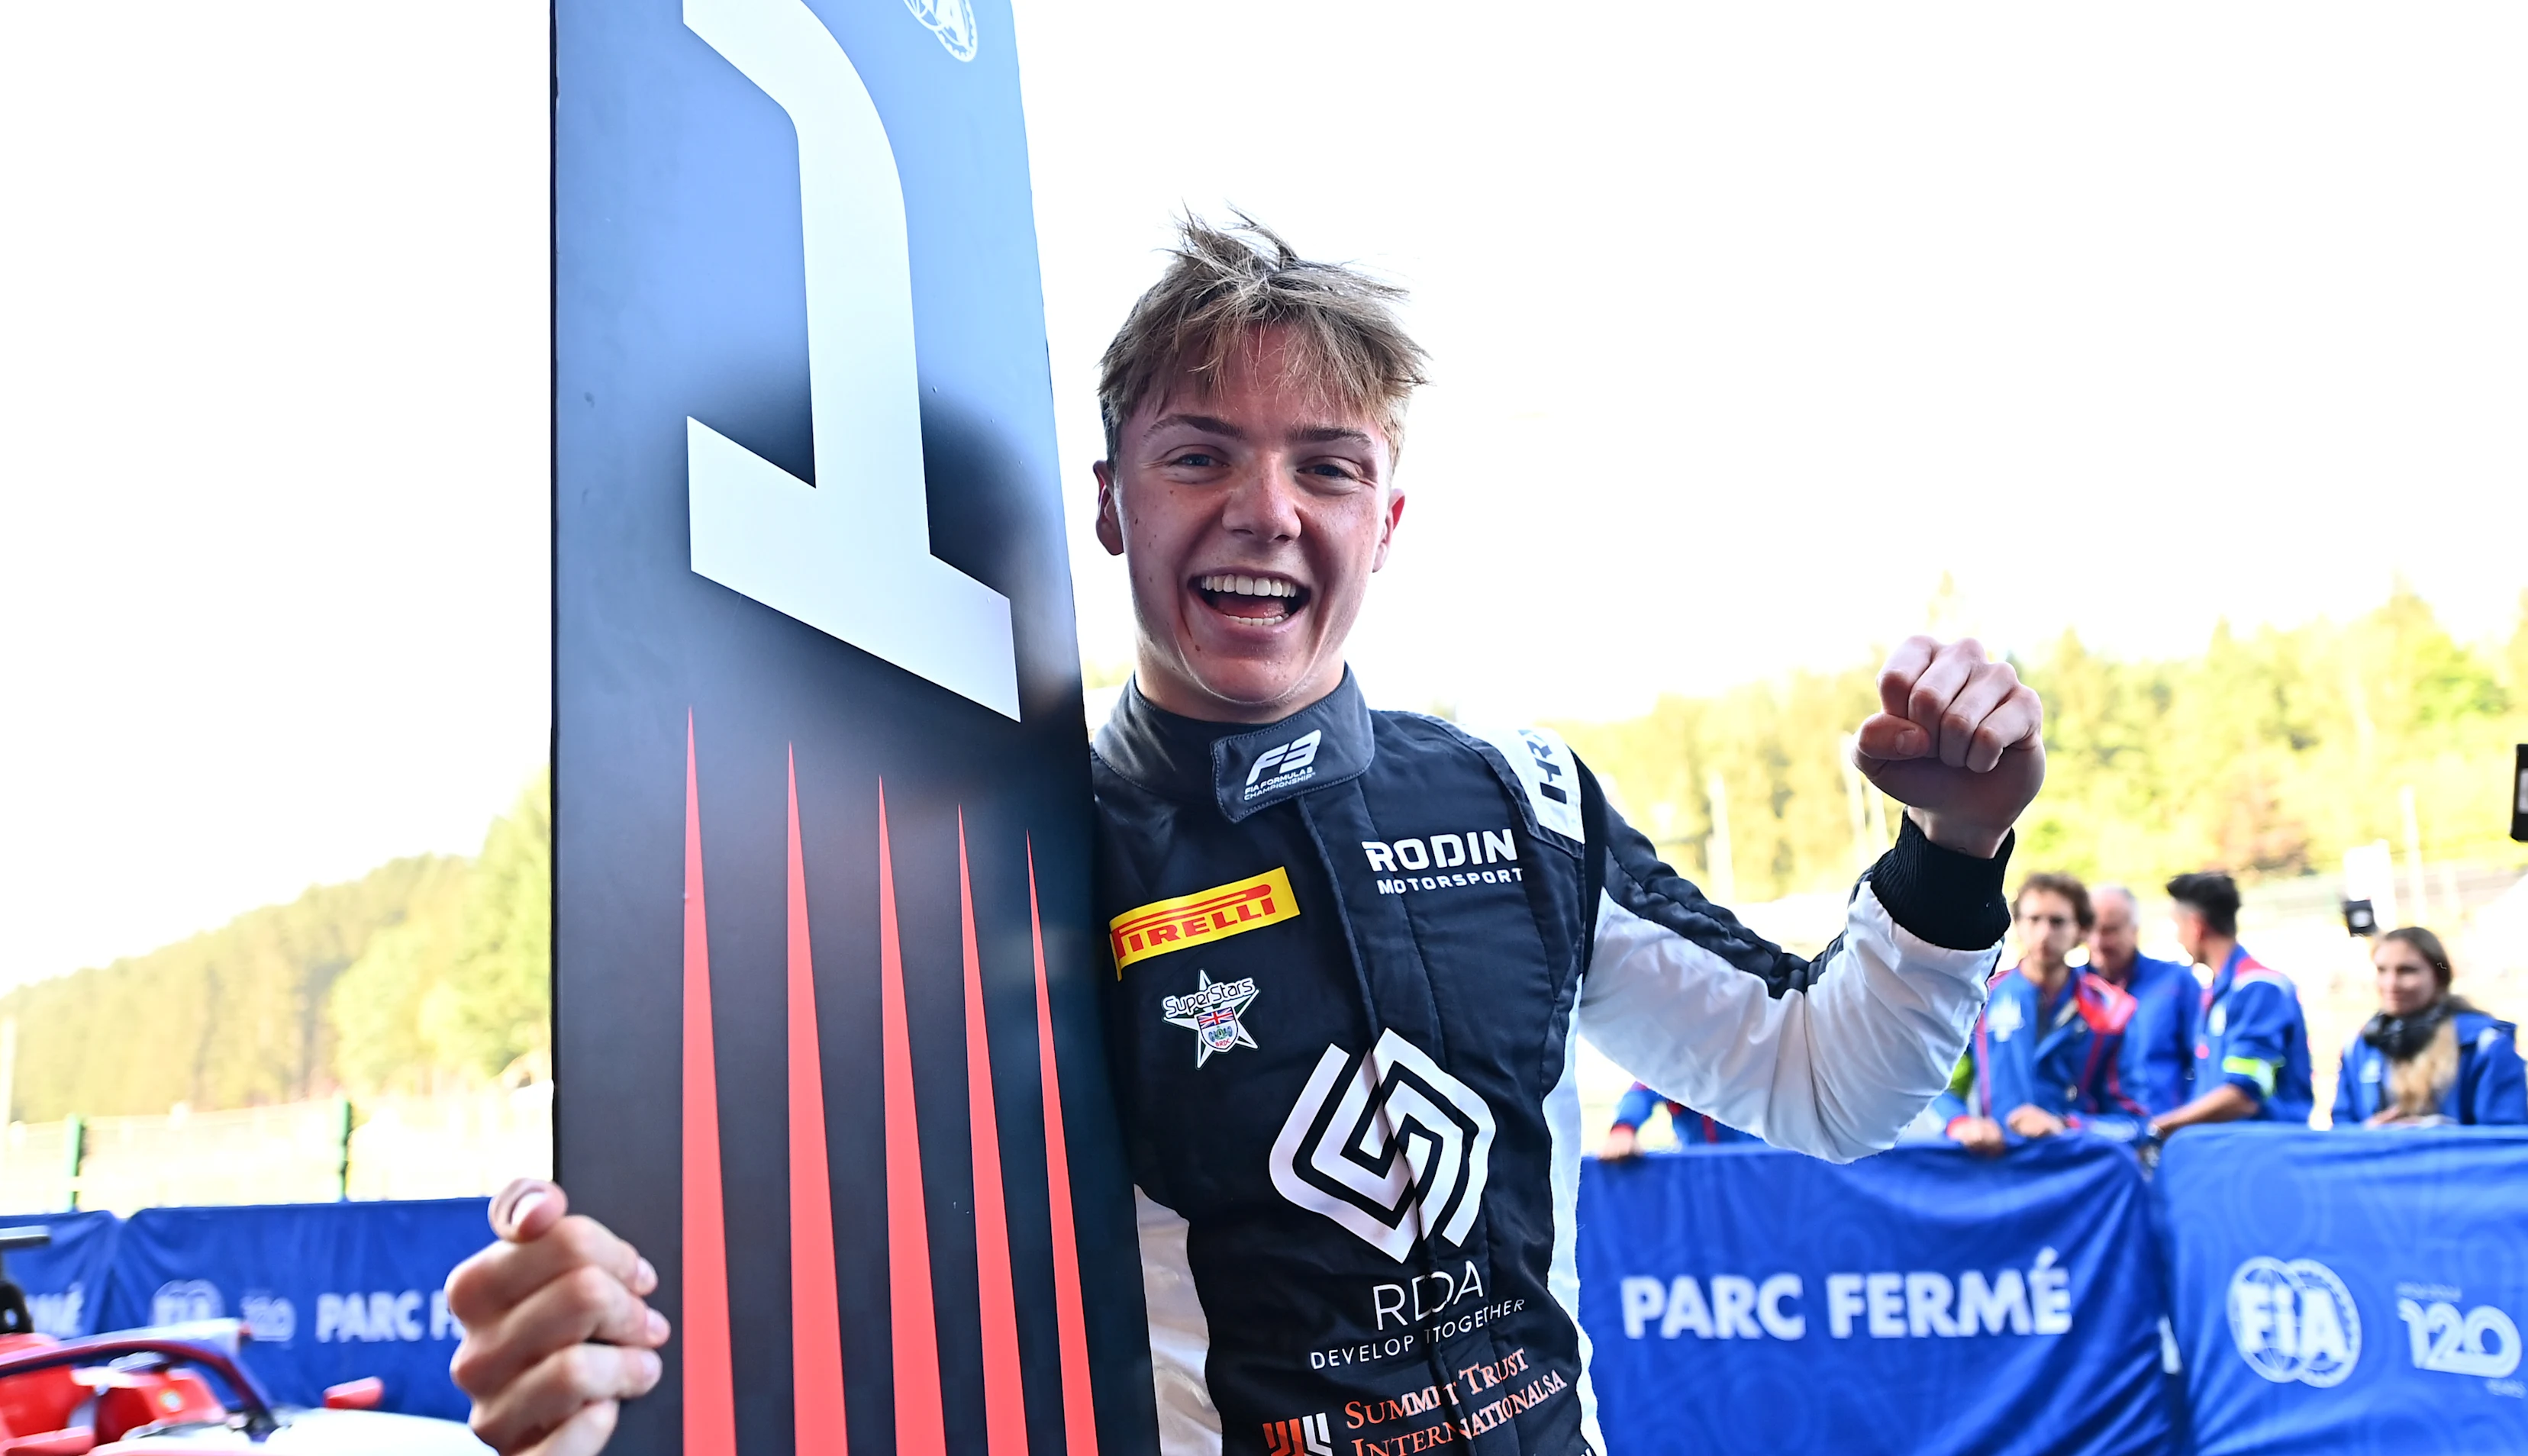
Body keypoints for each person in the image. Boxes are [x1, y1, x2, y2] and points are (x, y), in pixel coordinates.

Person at [443, 217, 2050, 1456]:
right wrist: (596, 1301)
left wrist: (1955, 851)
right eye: (1199, 454)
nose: (1264, 510)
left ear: (1386, 520)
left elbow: (1823, 1084)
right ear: (1111, 504)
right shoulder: (986, 846)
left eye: (1324, 466)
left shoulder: (1519, 798)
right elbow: (781, 1192)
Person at [1933, 872, 2146, 1156]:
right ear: (2017, 925)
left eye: (2057, 922)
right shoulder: (1979, 1000)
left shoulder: (2113, 1011)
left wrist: (2065, 1125)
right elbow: (1939, 1086)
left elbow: (2134, 1124)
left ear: (2082, 931)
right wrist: (1960, 1124)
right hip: (1995, 1164)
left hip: (2072, 1167)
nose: (2044, 934)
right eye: (2034, 920)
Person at [2147, 871, 2314, 1137]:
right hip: (2229, 1153)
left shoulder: (2258, 989)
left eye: (2177, 926)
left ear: (2196, 926)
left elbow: (2244, 1095)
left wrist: (2160, 1127)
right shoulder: (2219, 991)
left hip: (2262, 1157)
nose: (2178, 939)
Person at [2333, 926, 2526, 1126]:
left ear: (2439, 976)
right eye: (2382, 970)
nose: (2391, 983)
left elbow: (2506, 1137)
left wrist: (2441, 1136)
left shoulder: (2485, 1045)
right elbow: (2341, 1130)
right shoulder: (2360, 1047)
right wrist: (2370, 1134)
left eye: (2407, 970)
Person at [2086, 884, 2204, 1116]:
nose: (2098, 942)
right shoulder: (2074, 987)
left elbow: (2203, 1063)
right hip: (2093, 1132)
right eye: (2091, 930)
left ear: (2135, 930)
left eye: (2110, 931)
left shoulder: (2175, 983)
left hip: (2163, 1125)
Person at [1602, 1081, 1762, 1154]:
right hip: (1700, 1175)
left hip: (1767, 1171)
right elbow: (1641, 1093)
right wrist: (1623, 1129)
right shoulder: (1681, 1062)